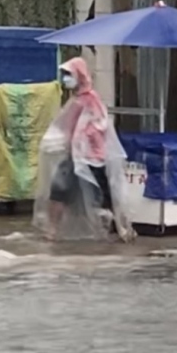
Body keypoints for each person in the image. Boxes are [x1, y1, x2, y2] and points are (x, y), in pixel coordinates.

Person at [35, 57, 134, 242]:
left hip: (91, 157)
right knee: (59, 190)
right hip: (74, 155)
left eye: (69, 75)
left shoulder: (91, 100)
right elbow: (65, 126)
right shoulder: (76, 100)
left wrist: (83, 140)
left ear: (79, 76)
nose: (65, 79)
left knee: (104, 195)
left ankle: (122, 228)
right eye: (64, 75)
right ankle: (52, 230)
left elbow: (99, 125)